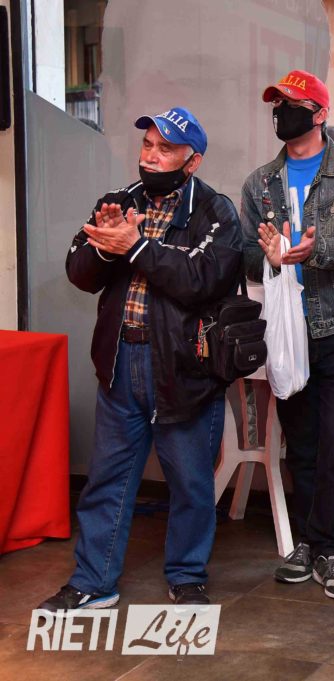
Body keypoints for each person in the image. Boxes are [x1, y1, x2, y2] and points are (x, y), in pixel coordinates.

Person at [42, 107, 241, 610]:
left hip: (185, 369)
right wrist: (106, 248)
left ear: (192, 161)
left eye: (165, 149)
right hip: (120, 363)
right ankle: (93, 581)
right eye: (147, 145)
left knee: (191, 484)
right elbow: (79, 272)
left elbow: (201, 281)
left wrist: (134, 246)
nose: (151, 156)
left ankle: (187, 577)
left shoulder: (215, 212)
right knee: (107, 480)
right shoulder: (118, 202)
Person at [239, 70, 334, 600]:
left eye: (292, 104)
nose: (281, 112)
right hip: (288, 329)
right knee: (300, 443)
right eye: (276, 104)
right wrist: (270, 258)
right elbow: (244, 255)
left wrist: (315, 249)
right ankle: (305, 541)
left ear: (319, 114)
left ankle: (330, 548)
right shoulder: (260, 183)